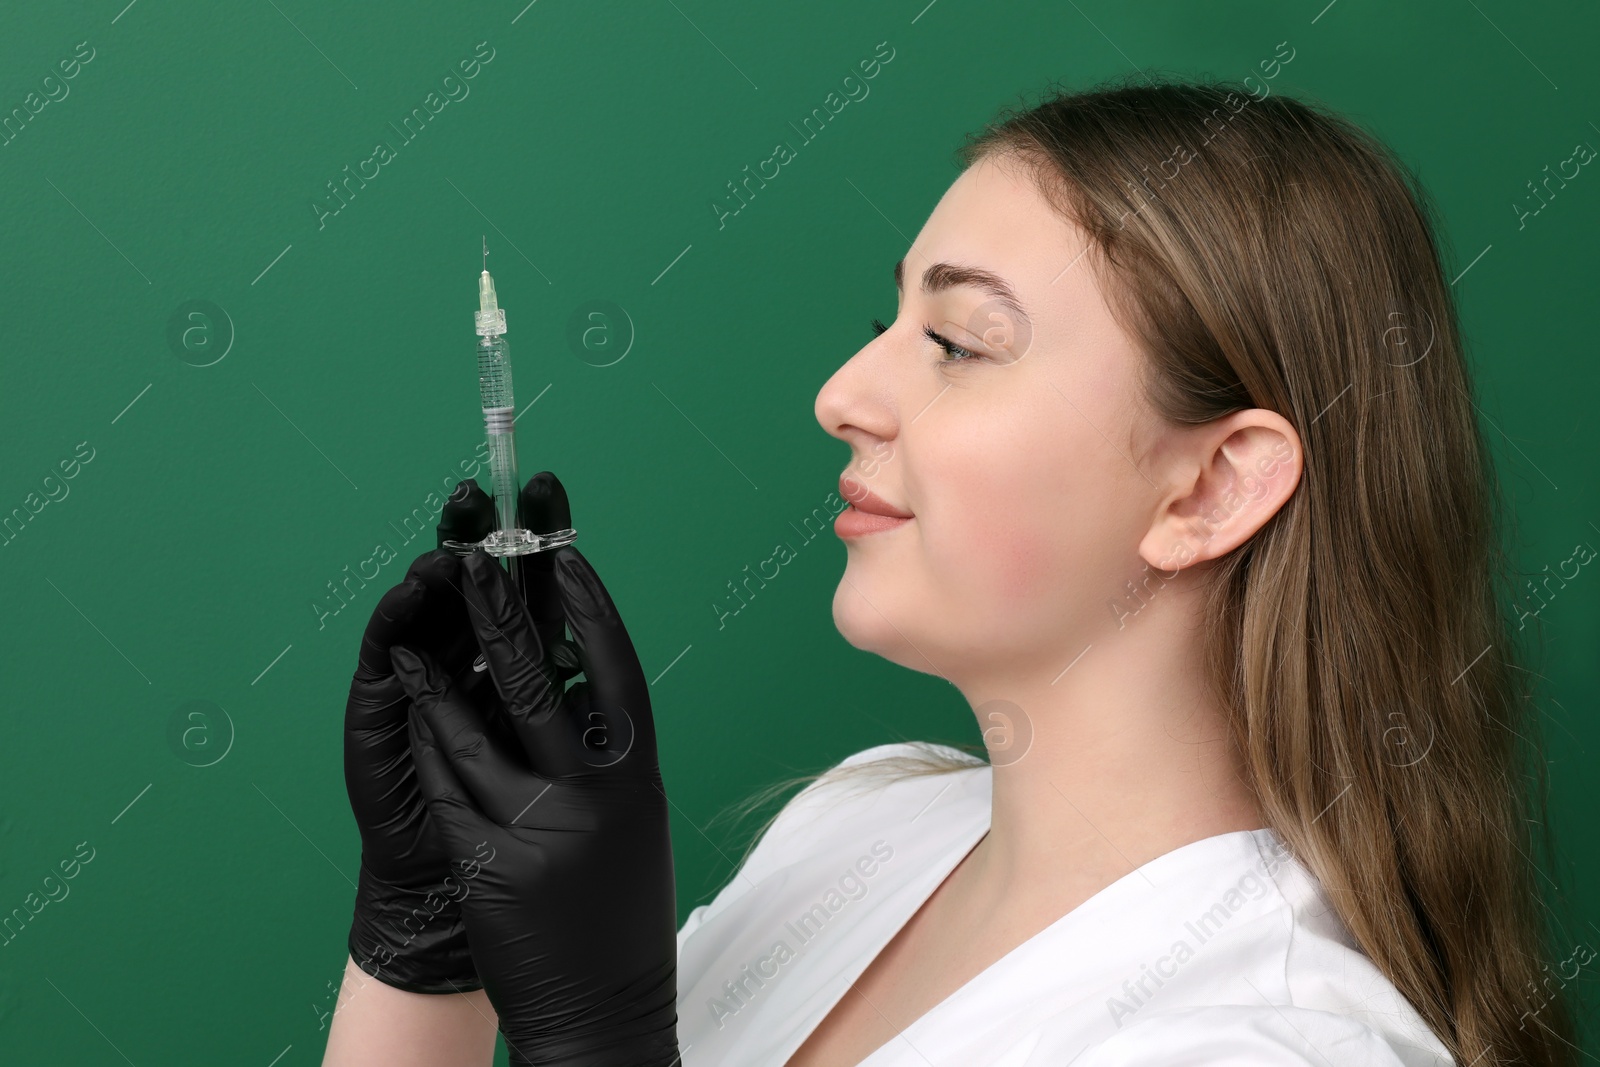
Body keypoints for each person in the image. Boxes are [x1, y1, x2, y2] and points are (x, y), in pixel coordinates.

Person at [324, 74, 1577, 1067]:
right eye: (886, 328)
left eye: (962, 342)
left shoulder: (1270, 1038)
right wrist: (428, 940)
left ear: (1210, 486)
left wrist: (599, 1045)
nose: (841, 396)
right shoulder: (865, 826)